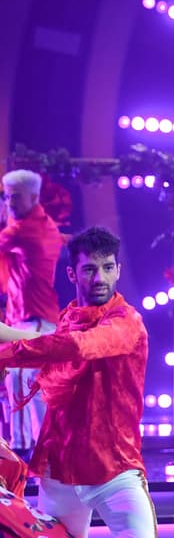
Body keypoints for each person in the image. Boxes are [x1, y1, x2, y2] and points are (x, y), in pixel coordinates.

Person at [0, 226, 159, 538]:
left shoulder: (126, 323)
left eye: (107, 267)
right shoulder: (68, 314)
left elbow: (80, 347)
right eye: (89, 268)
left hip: (115, 470)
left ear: (118, 270)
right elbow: (52, 341)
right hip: (61, 469)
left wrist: (10, 350)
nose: (98, 276)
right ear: (73, 273)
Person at [0, 169, 64, 455]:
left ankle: (26, 453)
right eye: (6, 197)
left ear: (34, 197)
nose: (10, 203)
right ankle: (31, 451)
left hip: (33, 321)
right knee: (23, 386)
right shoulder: (39, 223)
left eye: (15, 198)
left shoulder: (26, 230)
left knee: (24, 386)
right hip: (31, 320)